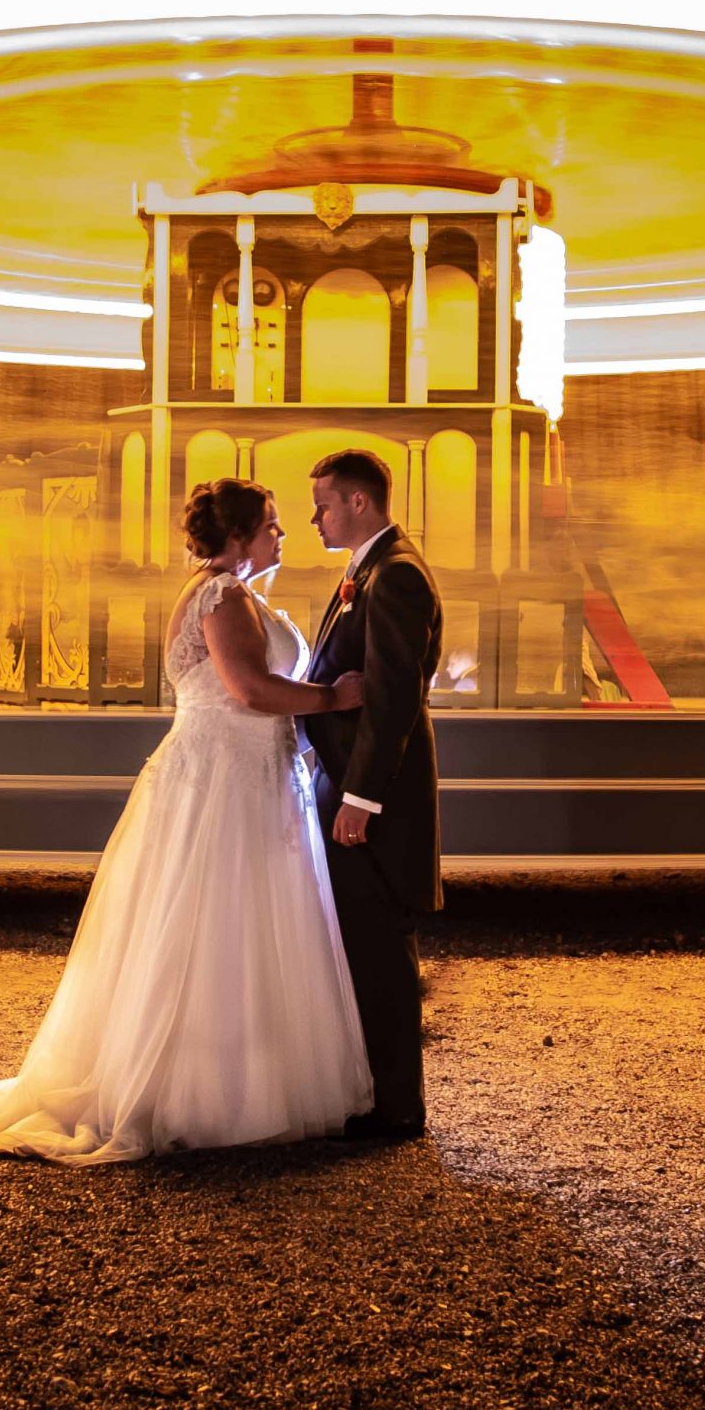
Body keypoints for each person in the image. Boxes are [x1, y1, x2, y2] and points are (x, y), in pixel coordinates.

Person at [0, 479, 371, 1165]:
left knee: (242, 924)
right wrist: (332, 696)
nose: (282, 535)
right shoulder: (222, 597)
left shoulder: (237, 594)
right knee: (212, 920)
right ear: (237, 537)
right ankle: (202, 1092)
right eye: (271, 525)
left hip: (255, 776)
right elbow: (250, 689)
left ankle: (243, 1079)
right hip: (223, 782)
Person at [297, 448, 444, 1140]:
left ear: (359, 502)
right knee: (359, 945)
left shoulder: (397, 576)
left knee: (381, 948)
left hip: (372, 798)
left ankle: (398, 1111)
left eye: (324, 503)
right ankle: (377, 1096)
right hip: (348, 784)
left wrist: (360, 799)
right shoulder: (371, 570)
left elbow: (392, 701)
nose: (316, 518)